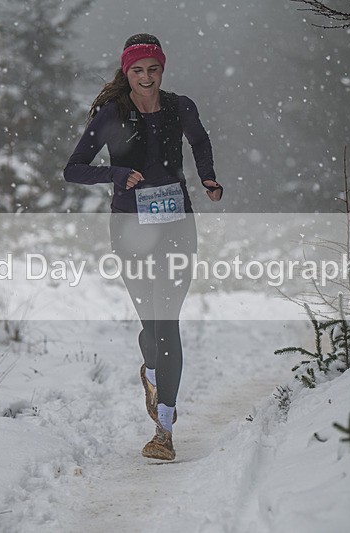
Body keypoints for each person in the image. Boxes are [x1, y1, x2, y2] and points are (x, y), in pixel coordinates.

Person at [64, 33, 222, 461]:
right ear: (126, 72)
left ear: (162, 70)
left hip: (176, 227)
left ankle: (164, 429)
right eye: (138, 70)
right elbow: (73, 170)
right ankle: (150, 369)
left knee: (166, 321)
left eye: (153, 69)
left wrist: (207, 176)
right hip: (130, 228)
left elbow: (200, 141)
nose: (146, 78)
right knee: (151, 328)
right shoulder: (111, 114)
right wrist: (116, 176)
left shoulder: (180, 107)